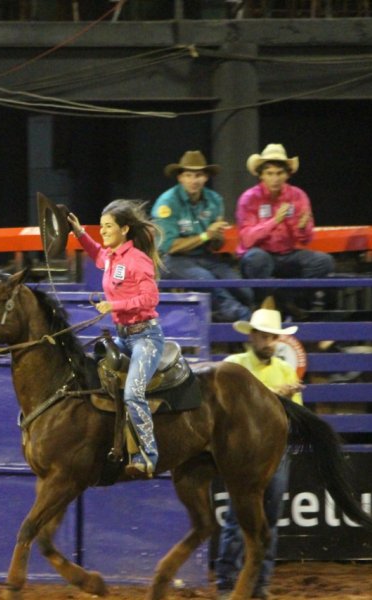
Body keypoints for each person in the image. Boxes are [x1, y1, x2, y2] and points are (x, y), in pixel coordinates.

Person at [67, 200, 164, 477]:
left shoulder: (138, 260)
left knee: (133, 393)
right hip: (123, 336)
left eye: (109, 227)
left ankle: (148, 454)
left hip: (145, 336)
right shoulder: (111, 257)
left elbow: (151, 297)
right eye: (102, 226)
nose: (104, 232)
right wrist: (79, 233)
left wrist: (114, 306)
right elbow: (97, 254)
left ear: (124, 229)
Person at [215, 308, 304, 600]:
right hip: (242, 453)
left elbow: (298, 416)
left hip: (274, 451)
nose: (268, 342)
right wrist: (279, 396)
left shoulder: (282, 370)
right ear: (252, 336)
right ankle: (229, 582)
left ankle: (256, 583)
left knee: (267, 519)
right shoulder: (234, 366)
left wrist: (285, 400)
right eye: (263, 336)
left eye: (272, 337)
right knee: (238, 518)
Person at [151, 150, 253, 323]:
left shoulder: (215, 200)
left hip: (206, 257)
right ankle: (246, 320)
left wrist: (217, 237)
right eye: (188, 175)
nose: (194, 180)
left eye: (198, 175)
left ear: (206, 177)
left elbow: (216, 245)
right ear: (180, 178)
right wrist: (207, 235)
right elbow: (169, 246)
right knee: (207, 281)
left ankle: (217, 320)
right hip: (172, 260)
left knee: (244, 291)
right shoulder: (167, 203)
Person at [236, 144, 334, 314]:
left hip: (288, 255)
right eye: (269, 173)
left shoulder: (298, 196)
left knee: (323, 262)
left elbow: (306, 239)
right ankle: (272, 304)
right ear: (261, 175)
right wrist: (275, 221)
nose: (275, 178)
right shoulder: (249, 198)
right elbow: (247, 239)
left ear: (287, 174)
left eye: (279, 173)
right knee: (257, 259)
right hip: (260, 254)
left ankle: (283, 300)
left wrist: (302, 228)